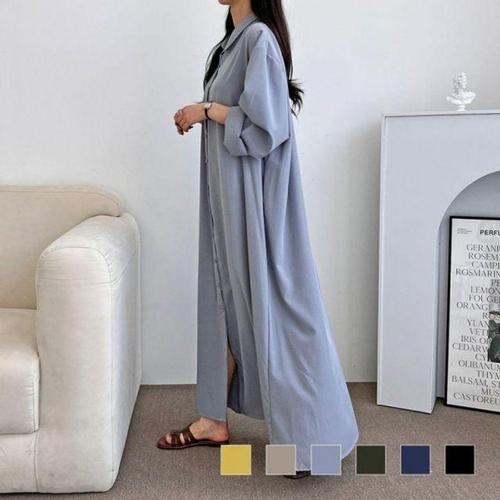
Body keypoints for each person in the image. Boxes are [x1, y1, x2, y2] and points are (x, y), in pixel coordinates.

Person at [157, 0, 359, 479]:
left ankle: (311, 443)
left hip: (254, 203)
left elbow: (268, 127)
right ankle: (213, 420)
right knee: (226, 301)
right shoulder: (232, 42)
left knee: (277, 310)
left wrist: (206, 110)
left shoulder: (259, 39)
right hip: (228, 201)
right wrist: (205, 113)